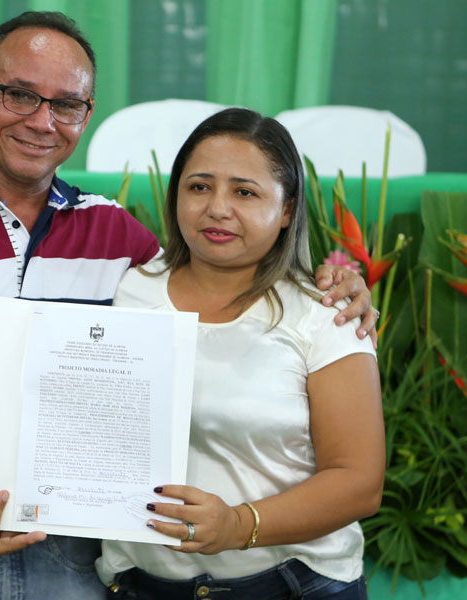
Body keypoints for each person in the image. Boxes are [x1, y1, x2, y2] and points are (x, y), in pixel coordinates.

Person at [0, 11, 379, 599]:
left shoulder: (119, 241)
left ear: (86, 115)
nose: (43, 121)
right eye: (20, 95)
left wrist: (337, 288)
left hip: (69, 549)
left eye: (66, 104)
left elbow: (217, 266)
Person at [97, 108, 385, 599]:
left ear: (288, 209)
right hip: (143, 585)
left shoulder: (325, 313)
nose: (217, 209)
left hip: (292, 585)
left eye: (245, 192)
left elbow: (360, 482)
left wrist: (237, 524)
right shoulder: (129, 289)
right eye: (199, 187)